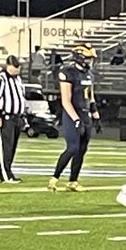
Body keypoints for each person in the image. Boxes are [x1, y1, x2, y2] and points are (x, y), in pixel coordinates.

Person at [49, 43, 100, 192]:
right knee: (72, 148)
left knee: (82, 149)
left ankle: (73, 181)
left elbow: (90, 96)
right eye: (88, 58)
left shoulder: (89, 74)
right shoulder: (67, 72)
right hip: (72, 114)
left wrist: (96, 116)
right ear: (79, 58)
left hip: (85, 114)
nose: (90, 61)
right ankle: (54, 178)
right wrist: (76, 119)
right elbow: (66, 100)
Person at [0, 55, 26, 183]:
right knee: (6, 146)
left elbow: (21, 97)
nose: (17, 70)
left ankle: (8, 172)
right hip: (6, 117)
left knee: (13, 146)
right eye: (14, 67)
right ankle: (5, 175)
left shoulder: (18, 80)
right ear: (8, 66)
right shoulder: (1, 79)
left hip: (17, 117)